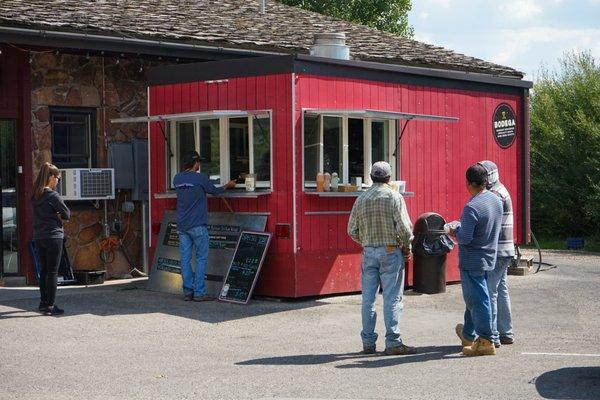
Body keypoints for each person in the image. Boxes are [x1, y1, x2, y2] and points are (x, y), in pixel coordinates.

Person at [347, 161, 415, 356]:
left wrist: (366, 241)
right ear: (388, 178)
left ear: (371, 177)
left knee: (368, 299)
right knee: (392, 298)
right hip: (390, 251)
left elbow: (351, 230)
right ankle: (393, 342)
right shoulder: (394, 197)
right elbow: (404, 228)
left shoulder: (361, 199)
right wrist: (406, 248)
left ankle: (368, 343)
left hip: (369, 251)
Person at [447, 163, 502, 356]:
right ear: (486, 181)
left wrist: (453, 229)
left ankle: (486, 340)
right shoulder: (495, 200)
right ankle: (469, 335)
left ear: (468, 183)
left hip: (472, 261)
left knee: (478, 300)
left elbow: (465, 238)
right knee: (475, 298)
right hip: (489, 257)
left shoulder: (471, 207)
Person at [174, 150, 236, 302]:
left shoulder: (177, 179)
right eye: (198, 162)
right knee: (201, 259)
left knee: (185, 259)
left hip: (182, 225)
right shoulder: (200, 178)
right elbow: (215, 191)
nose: (199, 164)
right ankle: (199, 292)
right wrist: (228, 185)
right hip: (198, 225)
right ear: (195, 163)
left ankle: (188, 292)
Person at [480, 160, 515, 347]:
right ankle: (506, 332)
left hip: (498, 250)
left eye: (484, 175)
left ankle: (492, 336)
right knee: (501, 290)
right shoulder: (503, 190)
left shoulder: (495, 195)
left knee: (490, 292)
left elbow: (487, 223)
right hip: (507, 248)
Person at [32, 162, 70, 316]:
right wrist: (56, 215)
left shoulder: (35, 195)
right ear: (50, 177)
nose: (58, 181)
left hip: (39, 236)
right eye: (58, 178)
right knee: (53, 272)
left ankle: (43, 303)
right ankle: (50, 305)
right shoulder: (52, 195)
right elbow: (67, 214)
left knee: (44, 270)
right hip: (54, 236)